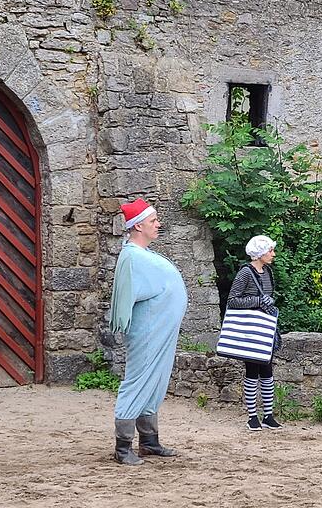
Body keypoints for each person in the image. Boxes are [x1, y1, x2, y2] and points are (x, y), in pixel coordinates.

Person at [110, 198, 188, 465]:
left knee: (155, 382)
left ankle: (149, 441)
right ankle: (123, 448)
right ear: (139, 225)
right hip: (147, 333)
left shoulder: (144, 255)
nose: (158, 224)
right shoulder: (132, 257)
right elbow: (127, 296)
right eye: (153, 221)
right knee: (138, 381)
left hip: (160, 333)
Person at [226, 235, 282, 431]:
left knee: (267, 372)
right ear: (259, 253)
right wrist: (257, 301)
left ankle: (268, 414)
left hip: (265, 328)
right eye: (269, 251)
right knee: (252, 371)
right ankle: (252, 417)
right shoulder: (245, 273)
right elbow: (232, 300)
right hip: (251, 329)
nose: (273, 254)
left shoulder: (267, 272)